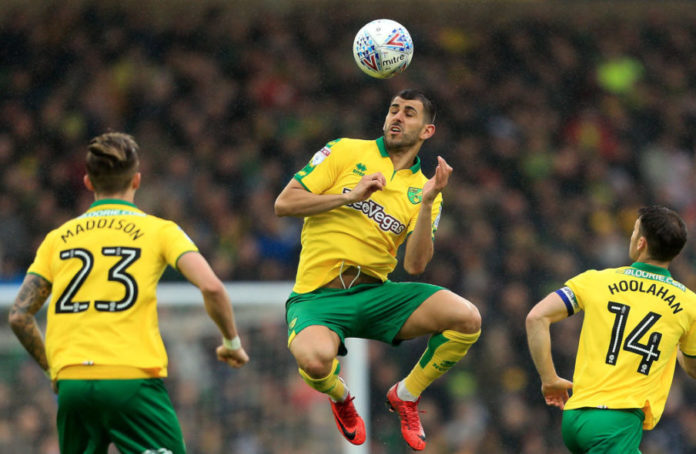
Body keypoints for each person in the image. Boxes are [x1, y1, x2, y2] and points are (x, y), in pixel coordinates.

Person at [8, 132, 249, 454]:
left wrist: (54, 369)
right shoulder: (159, 231)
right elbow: (212, 286)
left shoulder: (57, 238)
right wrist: (232, 343)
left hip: (73, 383)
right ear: (137, 180)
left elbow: (19, 315)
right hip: (131, 380)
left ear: (88, 182)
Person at [274, 89, 481, 451]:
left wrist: (428, 202)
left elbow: (415, 265)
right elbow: (284, 203)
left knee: (467, 318)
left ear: (427, 131)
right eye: (393, 110)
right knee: (315, 360)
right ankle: (340, 396)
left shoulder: (425, 190)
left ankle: (406, 394)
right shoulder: (344, 150)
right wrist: (348, 196)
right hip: (318, 297)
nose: (397, 117)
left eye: (409, 113)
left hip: (375, 295)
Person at [526, 205, 696, 453]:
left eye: (634, 231)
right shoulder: (688, 305)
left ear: (641, 243)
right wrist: (677, 344)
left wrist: (549, 379)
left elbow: (536, 317)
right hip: (615, 423)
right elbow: (693, 367)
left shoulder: (596, 280)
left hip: (575, 417)